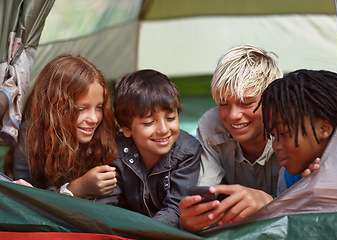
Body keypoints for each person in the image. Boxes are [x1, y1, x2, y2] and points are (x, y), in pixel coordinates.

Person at [179, 45, 284, 232]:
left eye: (246, 103)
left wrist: (268, 203)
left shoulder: (293, 132)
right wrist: (191, 218)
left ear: (272, 100)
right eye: (224, 104)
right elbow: (204, 190)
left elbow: (309, 207)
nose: (234, 115)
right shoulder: (211, 127)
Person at [97, 69, 201, 227]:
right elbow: (107, 206)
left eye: (171, 118)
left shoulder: (188, 152)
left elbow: (176, 209)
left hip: (165, 232)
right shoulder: (115, 152)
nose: (164, 129)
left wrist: (144, 232)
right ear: (126, 129)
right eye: (149, 122)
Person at [11, 54, 118, 199]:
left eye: (99, 107)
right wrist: (78, 188)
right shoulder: (30, 138)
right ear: (55, 109)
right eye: (81, 109)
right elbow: (30, 201)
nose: (93, 119)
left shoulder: (104, 138)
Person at [260, 69, 337, 181]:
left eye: (283, 132)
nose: (275, 146)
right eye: (274, 136)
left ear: (324, 128)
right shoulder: (290, 176)